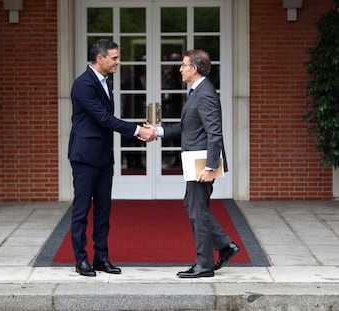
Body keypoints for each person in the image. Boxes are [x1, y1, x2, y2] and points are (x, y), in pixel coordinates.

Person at [147, 49, 240, 278]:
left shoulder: (205, 94)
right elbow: (187, 128)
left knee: (197, 210)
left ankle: (204, 265)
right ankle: (225, 246)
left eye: (183, 65)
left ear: (194, 69)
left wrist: (209, 168)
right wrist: (157, 131)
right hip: (195, 163)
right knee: (192, 206)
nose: (180, 68)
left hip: (201, 165)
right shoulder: (197, 92)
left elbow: (214, 133)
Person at [68, 39, 156, 277]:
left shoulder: (106, 82)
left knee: (103, 210)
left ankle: (101, 258)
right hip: (85, 156)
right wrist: (139, 130)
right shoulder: (83, 85)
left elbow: (106, 120)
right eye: (114, 58)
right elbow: (103, 119)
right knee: (81, 210)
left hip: (104, 157)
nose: (118, 62)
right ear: (100, 58)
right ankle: (81, 260)